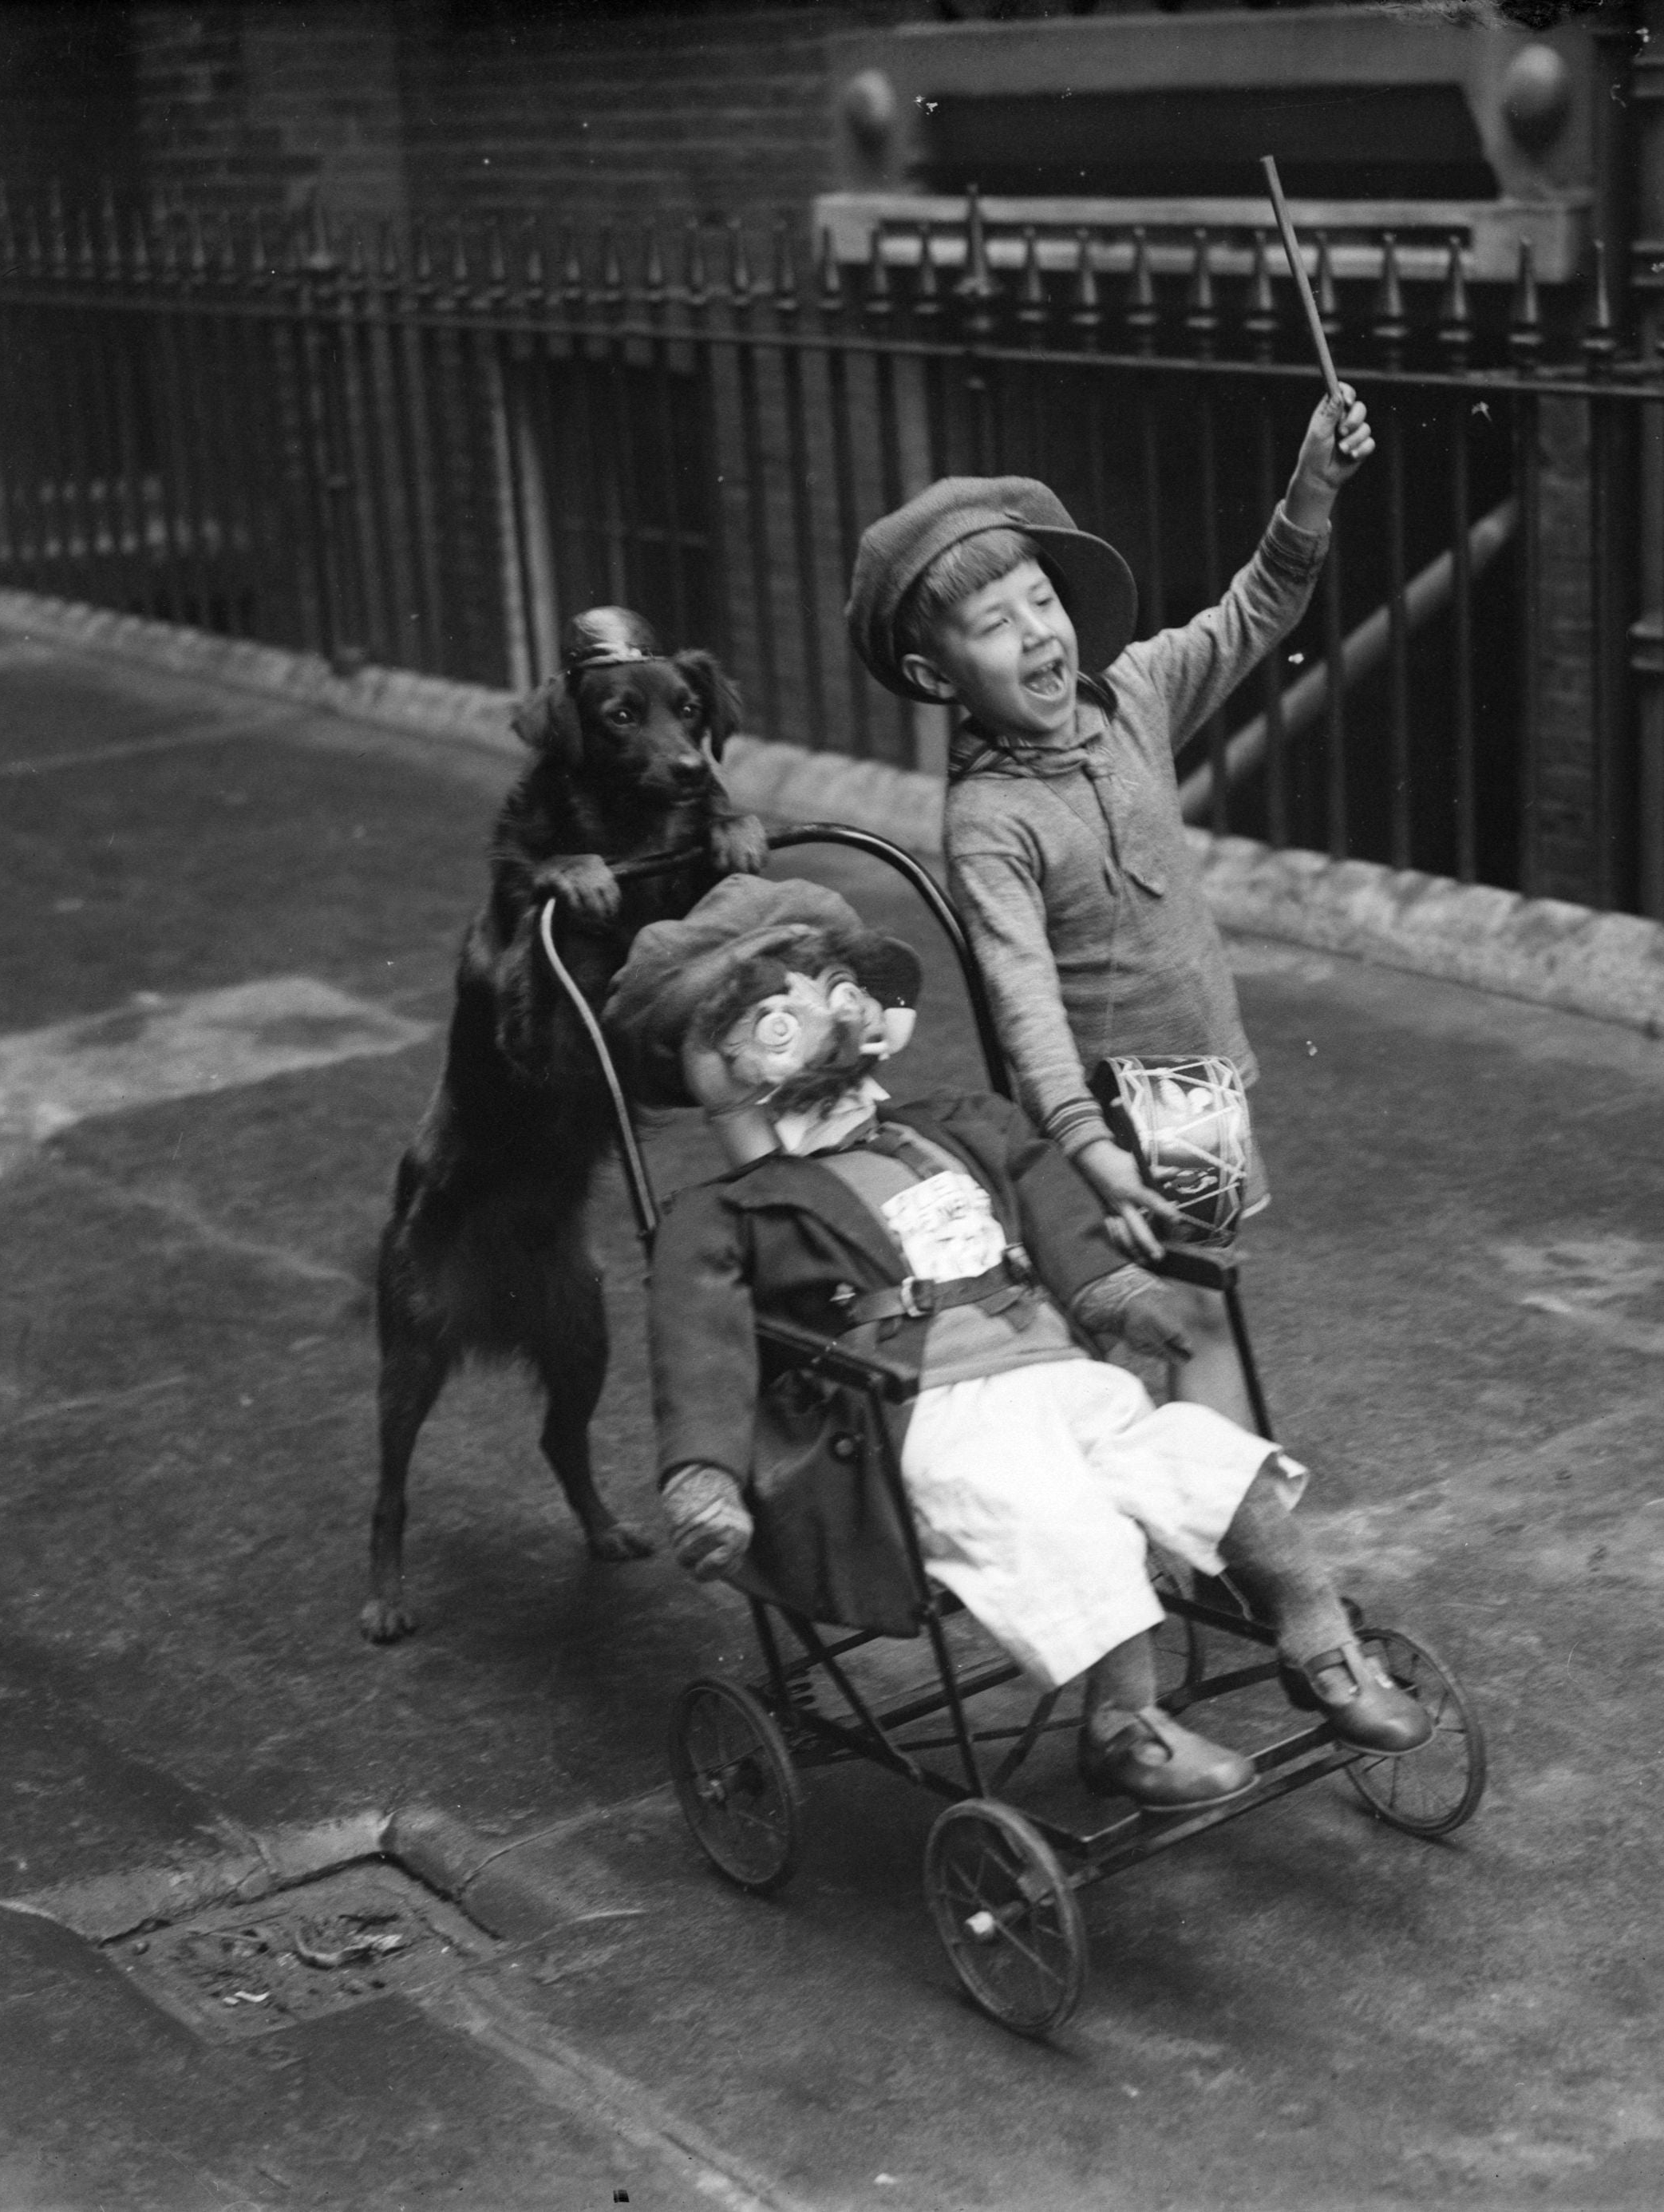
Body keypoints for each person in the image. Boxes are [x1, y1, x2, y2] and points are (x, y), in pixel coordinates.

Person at [609, 873, 1433, 1806]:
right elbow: (701, 1351)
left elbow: (1050, 1205)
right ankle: (1122, 1720)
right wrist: (705, 1475)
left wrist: (1114, 1288)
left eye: (827, 983)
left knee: (1204, 1459)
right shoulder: (723, 1212)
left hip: (1054, 1374)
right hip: (915, 1420)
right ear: (719, 1063)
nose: (821, 1009)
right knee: (1058, 1516)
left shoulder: (962, 1123)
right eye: (775, 1007)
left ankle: (1316, 1635)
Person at [841, 384, 1373, 1428]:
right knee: (1167, 1322)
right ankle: (1220, 1550)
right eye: (991, 624)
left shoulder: (1129, 694)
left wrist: (1313, 485)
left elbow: (1255, 608)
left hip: (1197, 1083)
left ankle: (1199, 1536)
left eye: (1039, 599)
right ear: (930, 669)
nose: (1035, 633)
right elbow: (1021, 994)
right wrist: (1087, 1144)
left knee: (1200, 1308)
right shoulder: (991, 817)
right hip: (1108, 1110)